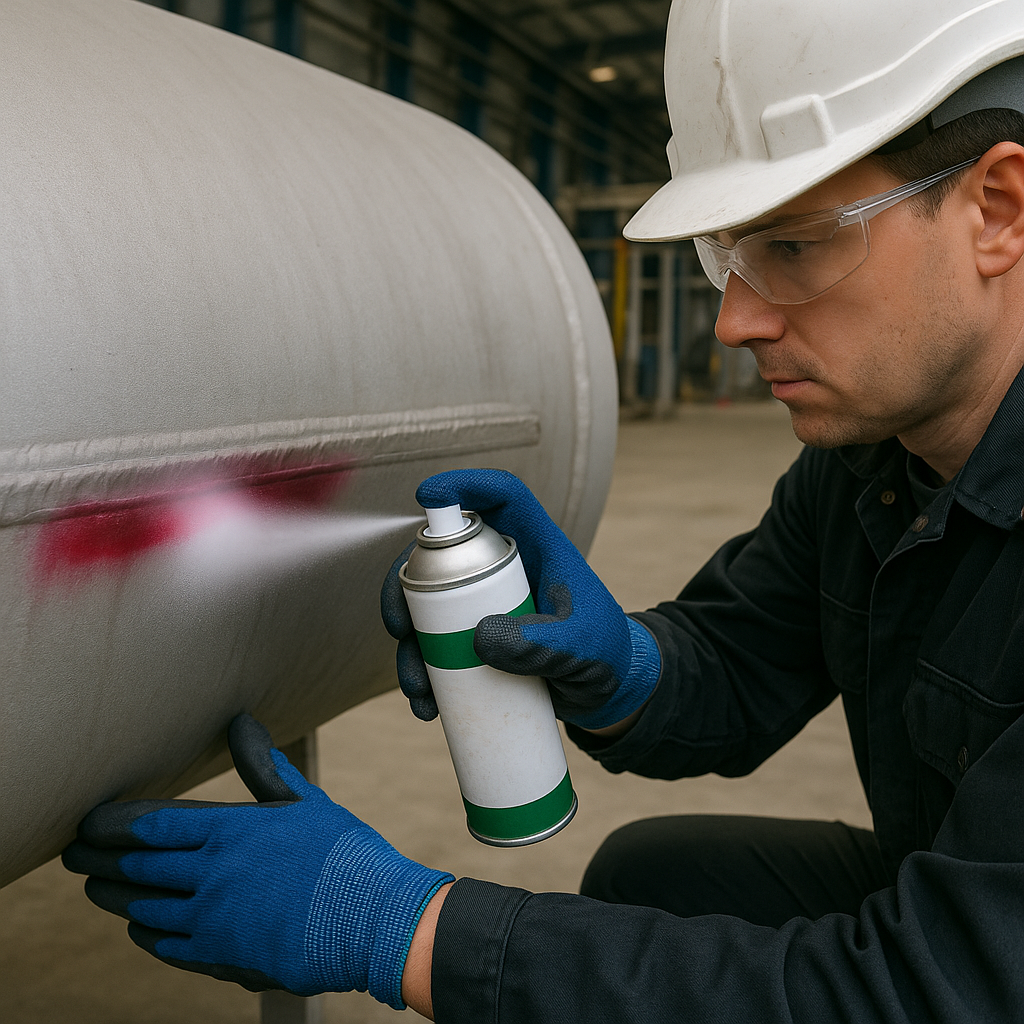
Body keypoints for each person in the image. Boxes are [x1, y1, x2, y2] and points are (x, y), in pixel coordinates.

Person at [63, 0, 1024, 1019]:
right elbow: (745, 667)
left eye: (792, 245)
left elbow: (927, 992)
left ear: (997, 209)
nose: (735, 320)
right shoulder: (874, 463)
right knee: (660, 877)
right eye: (729, 256)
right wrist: (620, 668)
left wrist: (404, 930)